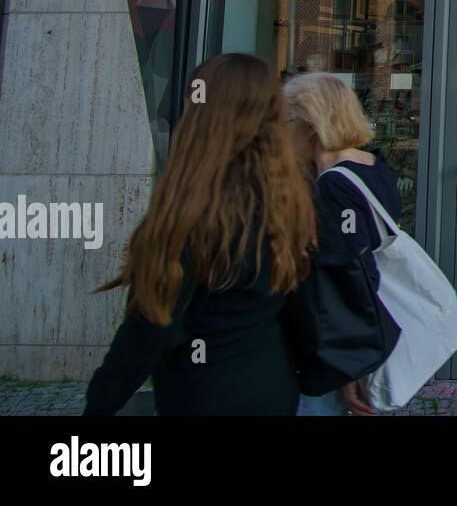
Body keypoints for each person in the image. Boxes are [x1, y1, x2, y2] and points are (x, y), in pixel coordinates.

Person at [84, 54, 317, 416]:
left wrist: (98, 407)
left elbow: (148, 330)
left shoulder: (193, 212)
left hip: (205, 393)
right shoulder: (291, 199)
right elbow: (299, 306)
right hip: (272, 385)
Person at [283, 71, 403, 417]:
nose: (280, 130)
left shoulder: (335, 188)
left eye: (285, 119)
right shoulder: (374, 169)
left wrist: (351, 370)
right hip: (353, 342)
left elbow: (347, 279)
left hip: (333, 352)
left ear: (310, 123)